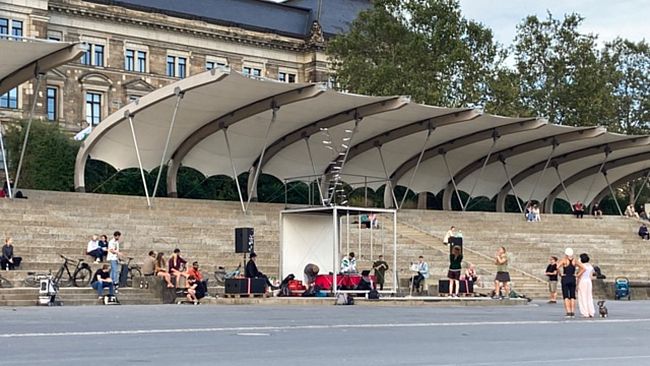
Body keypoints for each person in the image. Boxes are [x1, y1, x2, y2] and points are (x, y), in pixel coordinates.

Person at [557, 248, 584, 318]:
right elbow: (583, 268)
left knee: (566, 296)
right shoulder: (575, 261)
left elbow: (557, 267)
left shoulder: (564, 260)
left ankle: (568, 312)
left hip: (565, 278)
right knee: (572, 296)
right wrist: (577, 275)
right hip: (572, 278)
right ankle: (572, 312)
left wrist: (560, 274)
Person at [577, 253, 596, 318]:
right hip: (588, 281)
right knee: (589, 297)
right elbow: (591, 276)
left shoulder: (581, 266)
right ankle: (591, 311)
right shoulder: (590, 266)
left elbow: (579, 276)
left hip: (583, 281)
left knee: (582, 296)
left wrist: (577, 285)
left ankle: (585, 312)